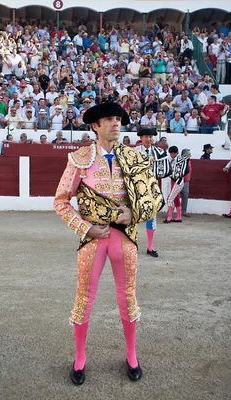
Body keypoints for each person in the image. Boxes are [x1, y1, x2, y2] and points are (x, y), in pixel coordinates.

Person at [53, 102, 163, 385]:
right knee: (84, 299)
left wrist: (134, 213)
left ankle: (131, 355)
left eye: (118, 119)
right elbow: (61, 201)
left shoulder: (135, 157)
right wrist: (86, 227)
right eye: (109, 119)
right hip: (93, 239)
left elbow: (153, 197)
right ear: (95, 126)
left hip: (124, 238)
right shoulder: (79, 158)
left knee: (127, 297)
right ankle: (80, 358)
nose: (116, 123)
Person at [136, 127, 170, 257]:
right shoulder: (134, 152)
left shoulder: (160, 152)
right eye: (146, 137)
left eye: (150, 137)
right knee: (133, 216)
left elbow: (165, 171)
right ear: (141, 138)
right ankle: (133, 244)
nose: (148, 139)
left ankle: (150, 247)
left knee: (151, 217)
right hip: (137, 188)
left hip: (152, 189)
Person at [163, 146, 190, 223]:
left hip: (178, 182)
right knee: (175, 199)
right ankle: (178, 217)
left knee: (169, 199)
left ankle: (170, 217)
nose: (170, 155)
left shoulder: (180, 160)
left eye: (171, 153)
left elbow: (186, 168)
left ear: (175, 153)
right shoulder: (173, 160)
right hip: (174, 181)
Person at [179, 149, 192, 217]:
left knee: (185, 196)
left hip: (186, 181)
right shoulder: (179, 160)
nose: (190, 155)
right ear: (184, 154)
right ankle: (170, 211)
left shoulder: (189, 161)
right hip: (178, 181)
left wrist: (189, 177)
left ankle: (183, 211)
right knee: (175, 197)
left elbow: (190, 170)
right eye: (189, 154)